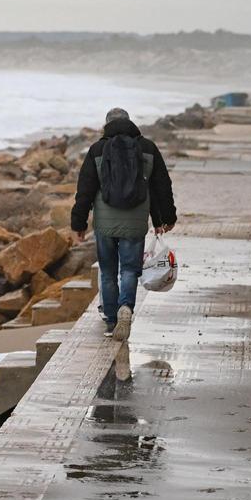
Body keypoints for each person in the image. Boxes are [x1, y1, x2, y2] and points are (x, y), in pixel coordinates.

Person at [70, 108, 177, 341]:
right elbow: (161, 186)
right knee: (129, 270)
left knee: (108, 272)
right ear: (130, 123)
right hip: (135, 219)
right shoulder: (147, 148)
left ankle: (111, 321)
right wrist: (165, 218)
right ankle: (126, 307)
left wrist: (78, 223)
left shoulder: (97, 150)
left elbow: (85, 191)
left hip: (105, 223)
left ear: (106, 125)